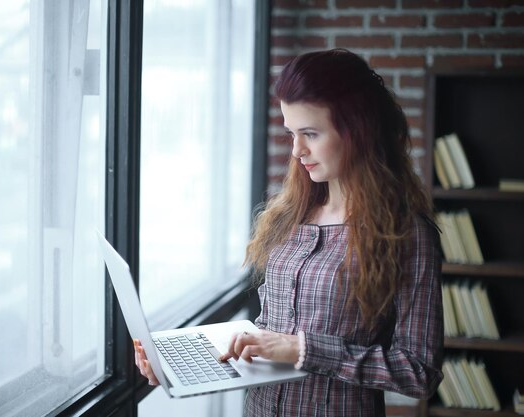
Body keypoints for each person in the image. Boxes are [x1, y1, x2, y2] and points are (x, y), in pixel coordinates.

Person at [135, 48, 443, 416]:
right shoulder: (291, 216)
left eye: (310, 133)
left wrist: (303, 350)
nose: (297, 150)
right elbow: (273, 332)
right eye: (292, 133)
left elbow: (419, 371)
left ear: (358, 131)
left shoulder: (406, 234)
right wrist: (178, 367)